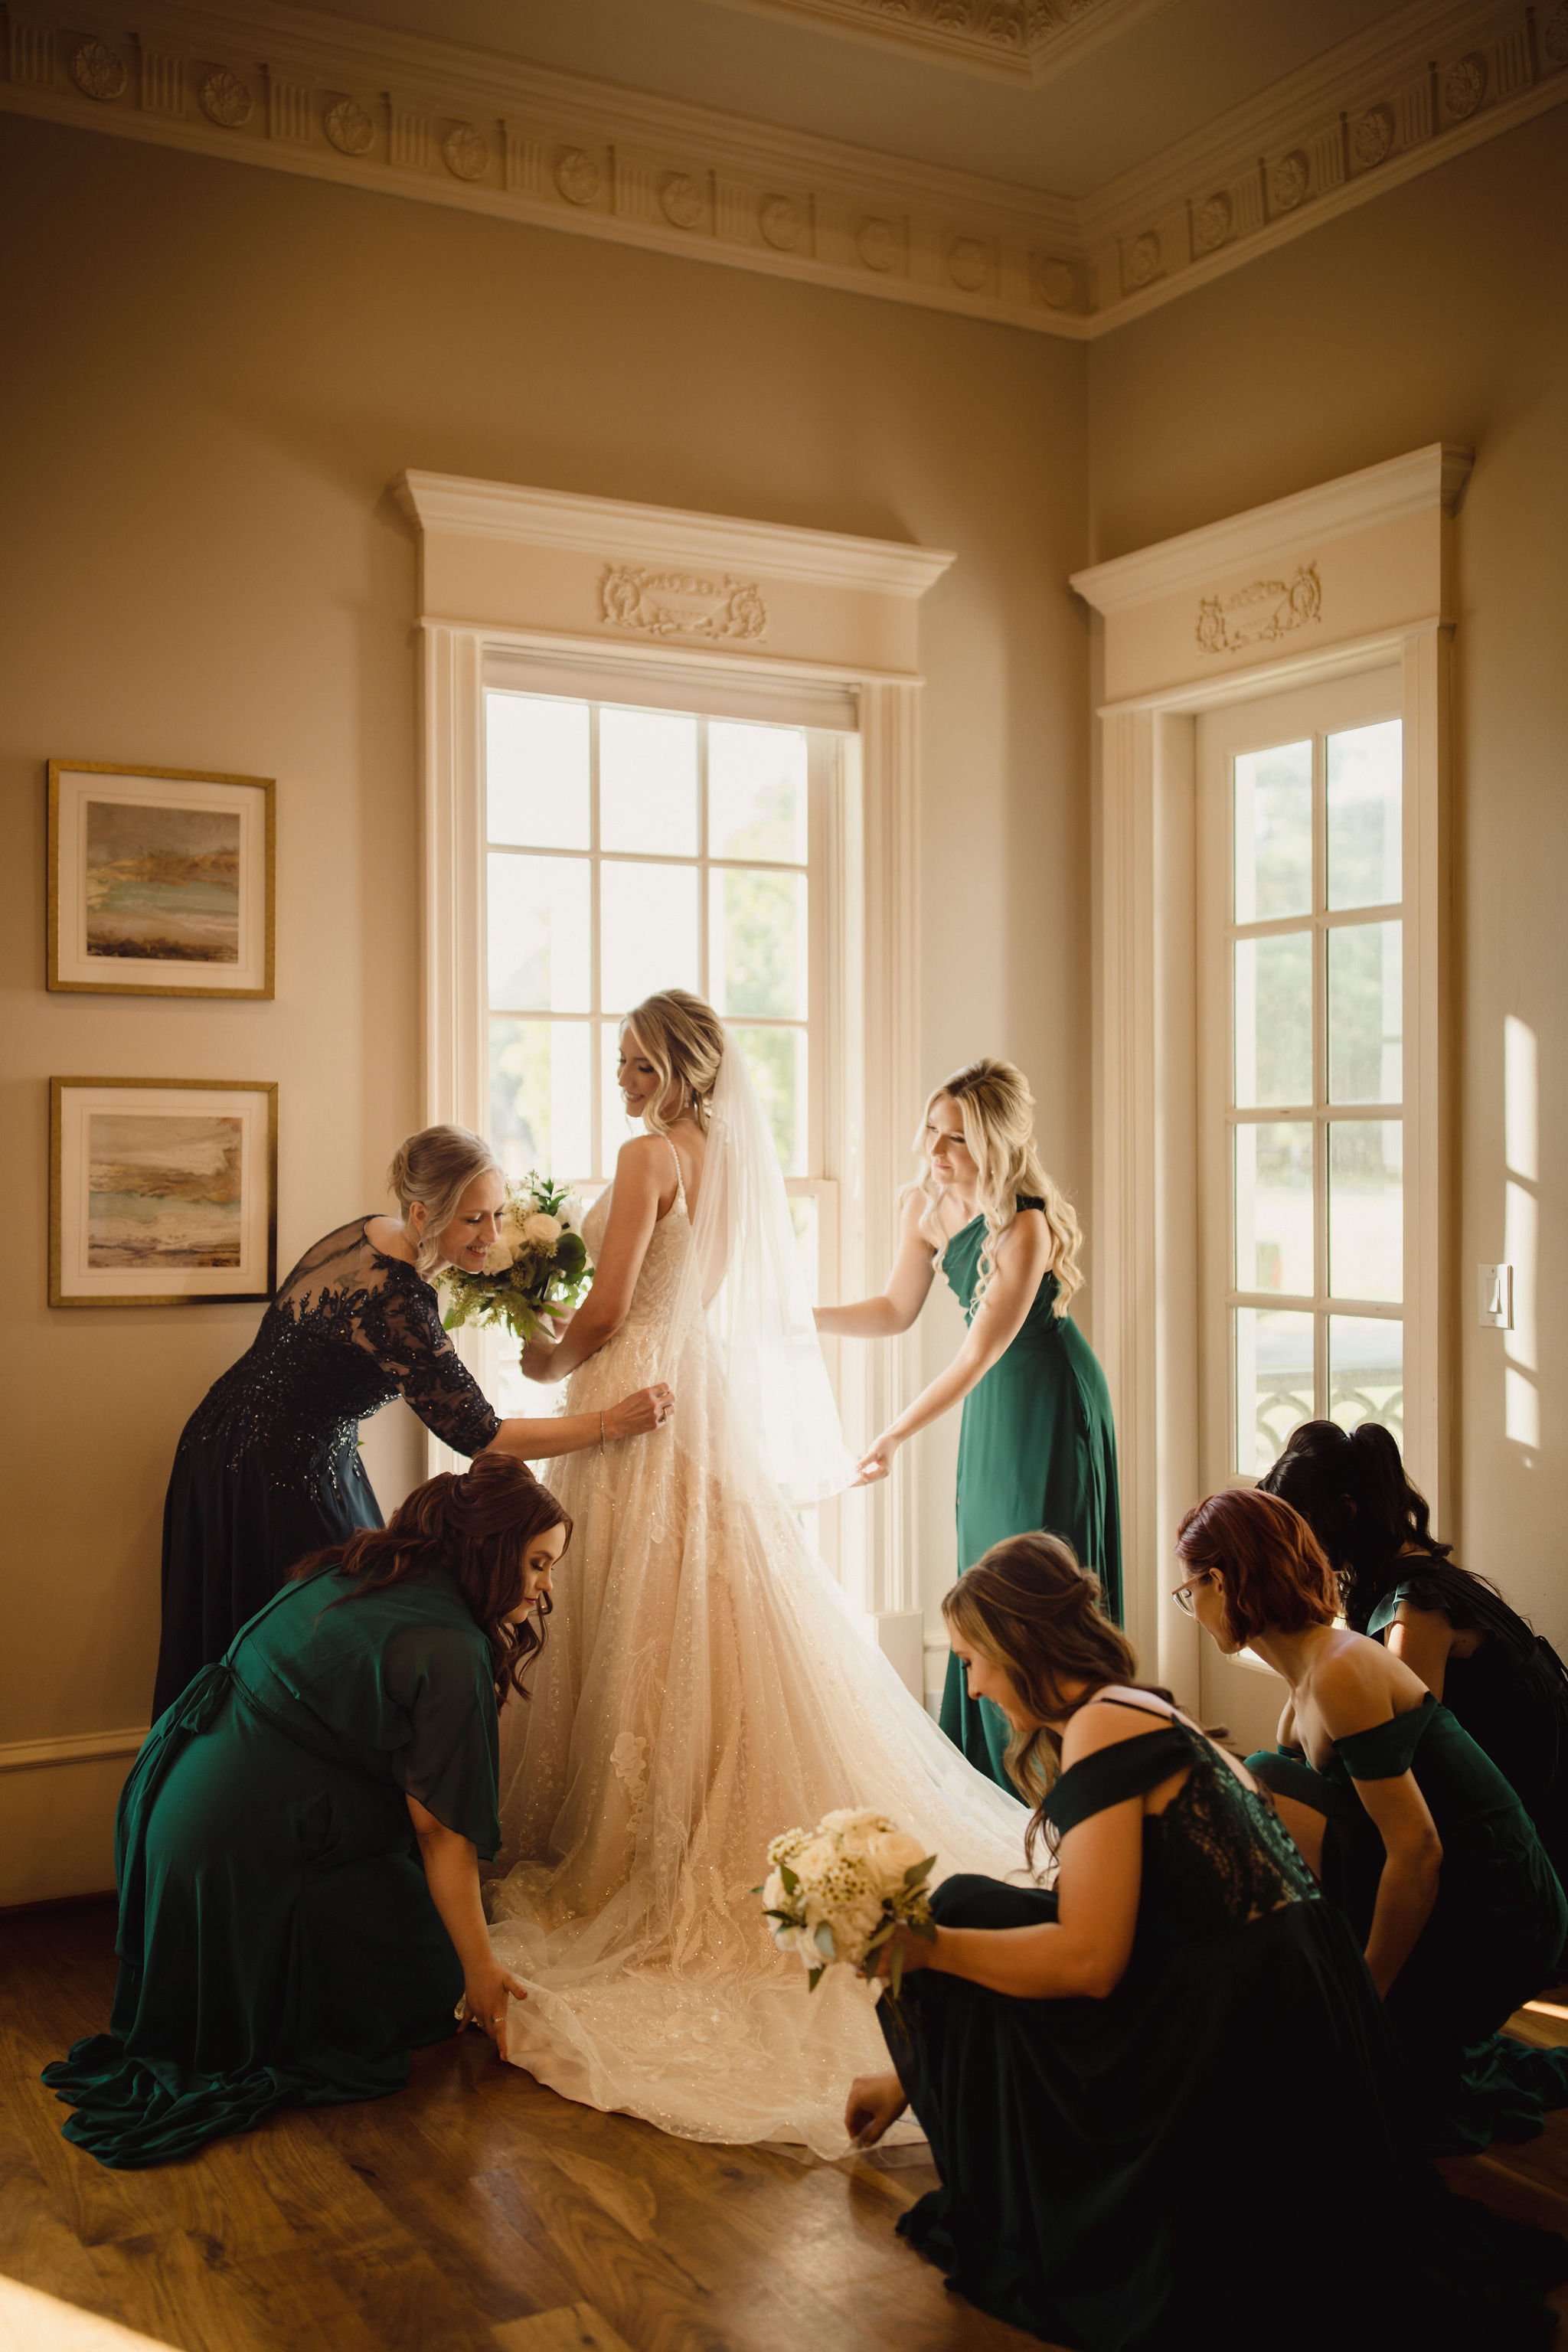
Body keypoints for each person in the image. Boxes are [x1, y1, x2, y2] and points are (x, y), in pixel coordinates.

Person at [486, 989, 1028, 2154]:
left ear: (682, 1069)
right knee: (684, 1613)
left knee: (642, 1610)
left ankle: (640, 1854)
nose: (621, 1076)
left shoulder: (646, 1156)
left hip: (635, 1400)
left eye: (639, 1061)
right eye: (620, 1059)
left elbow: (615, 1305)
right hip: (692, 1394)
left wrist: (539, 1347)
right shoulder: (723, 1158)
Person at [842, 1533, 1568, 2352]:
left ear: (1016, 1646)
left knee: (958, 1915)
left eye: (971, 1659)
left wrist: (926, 1952)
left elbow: (1087, 1962)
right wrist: (910, 2064)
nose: (969, 1685)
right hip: (1285, 1998)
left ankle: (1056, 2203)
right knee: (973, 1901)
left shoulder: (1101, 1727)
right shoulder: (1133, 1706)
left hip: (1243, 2032)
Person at [44, 1455, 567, 2168]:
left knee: (419, 1908)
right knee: (428, 1976)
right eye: (537, 1565)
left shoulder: (364, 1567)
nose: (543, 1591)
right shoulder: (448, 1644)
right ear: (491, 1549)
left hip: (171, 1803)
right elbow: (440, 1829)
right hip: (237, 1846)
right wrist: (480, 1971)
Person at [152, 1122, 671, 1718]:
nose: (492, 1234)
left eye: (497, 1214)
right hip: (267, 1469)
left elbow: (413, 1325)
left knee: (333, 1623)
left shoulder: (373, 1232)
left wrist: (530, 1302)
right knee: (304, 1645)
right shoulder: (394, 1300)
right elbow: (485, 1437)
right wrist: (610, 1422)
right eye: (474, 1220)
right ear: (424, 1213)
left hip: (234, 1438)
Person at [1177, 1485, 1568, 2151]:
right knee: (1251, 1774)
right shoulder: (1308, 1675)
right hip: (1451, 1884)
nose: (1193, 1611)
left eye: (1190, 1593)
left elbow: (1419, 1852)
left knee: (1260, 1783)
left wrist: (1368, 1996)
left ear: (1220, 1580)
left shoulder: (1340, 1671)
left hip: (1504, 1912)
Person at [815, 1057, 1120, 1788]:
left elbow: (978, 1355)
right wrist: (804, 1318)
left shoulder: (1025, 1226)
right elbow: (894, 1311)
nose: (936, 1152)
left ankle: (1062, 1780)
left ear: (996, 1144)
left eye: (955, 1139)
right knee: (986, 1576)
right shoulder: (920, 1208)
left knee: (1038, 1585)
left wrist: (892, 1434)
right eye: (931, 1131)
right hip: (991, 1409)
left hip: (1046, 1399)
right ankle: (990, 1779)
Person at [1262, 1418, 1568, 1890]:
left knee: (1291, 1790)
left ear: (1345, 1513)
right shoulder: (1405, 1577)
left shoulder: (1415, 1613)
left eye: (1301, 1530)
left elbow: (1404, 1757)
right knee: (1280, 1773)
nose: (1296, 1549)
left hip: (1529, 1825)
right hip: (1512, 1790)